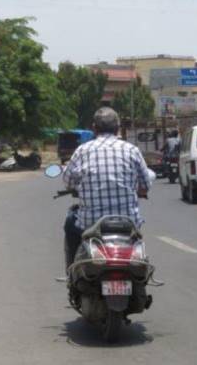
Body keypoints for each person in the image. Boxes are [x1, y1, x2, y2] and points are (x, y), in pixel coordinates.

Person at [62, 107, 152, 271]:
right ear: (118, 128)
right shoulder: (132, 150)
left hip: (90, 224)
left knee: (70, 221)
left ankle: (72, 270)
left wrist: (79, 185)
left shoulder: (82, 151)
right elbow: (146, 185)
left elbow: (67, 181)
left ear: (94, 128)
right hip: (128, 222)